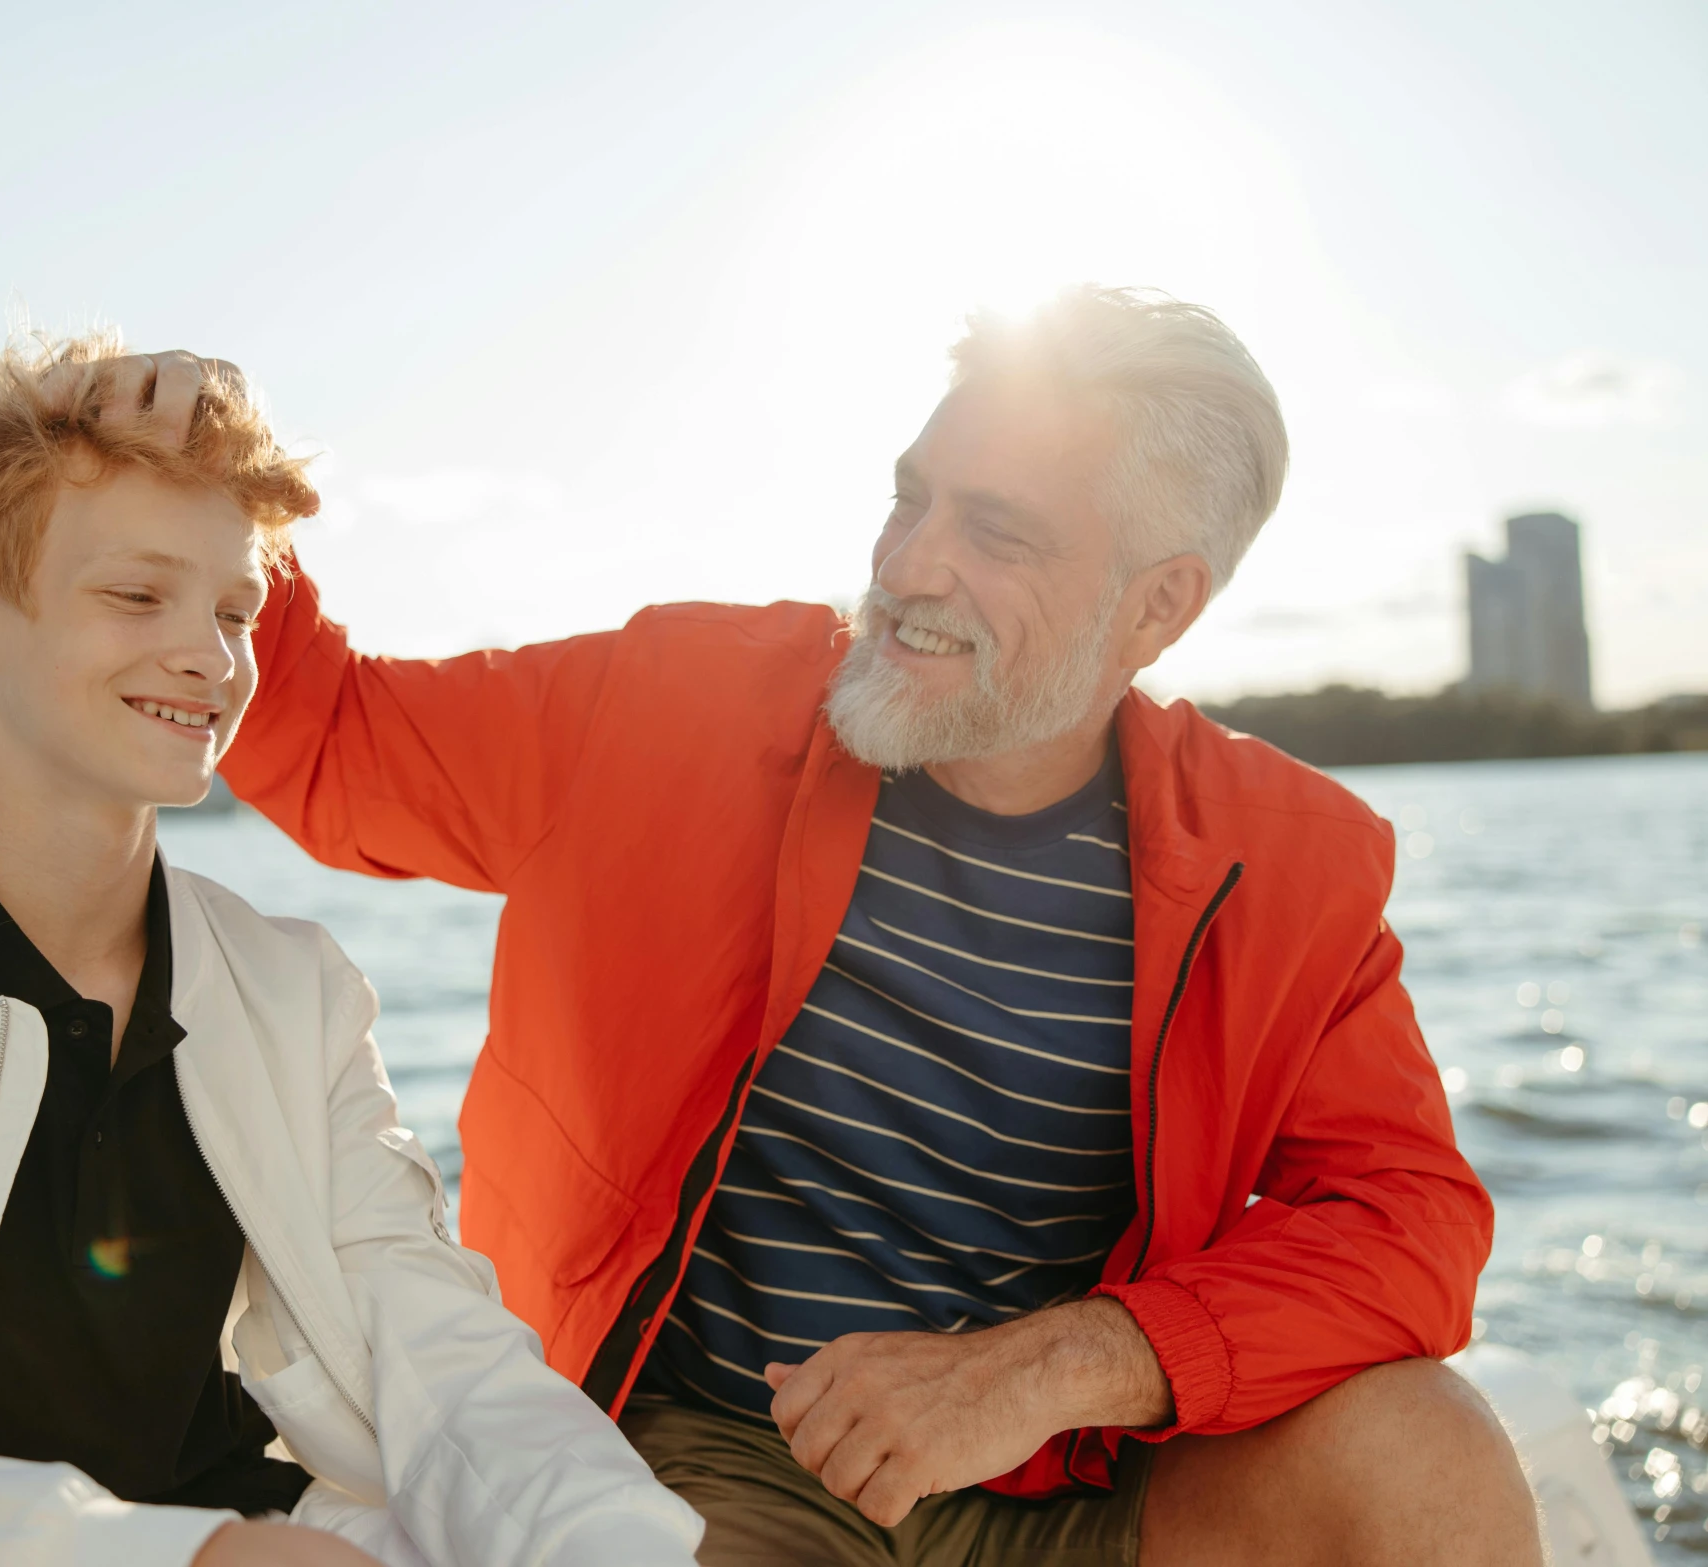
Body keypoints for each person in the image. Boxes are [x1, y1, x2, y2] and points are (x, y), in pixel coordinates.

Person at [206, 288, 1544, 1565]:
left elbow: (1408, 1218)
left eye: (997, 533)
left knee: (1425, 1450)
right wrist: (206, 473)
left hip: (1066, 1486)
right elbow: (333, 735)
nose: (910, 566)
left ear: (1158, 604)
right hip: (712, 1465)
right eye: (911, 498)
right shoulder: (674, 705)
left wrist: (1049, 1366)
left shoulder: (1284, 865)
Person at [0, 336, 704, 1567]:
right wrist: (193, 1559)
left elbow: (442, 1360)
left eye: (235, 609)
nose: (212, 656)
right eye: (138, 596)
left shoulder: (296, 993)